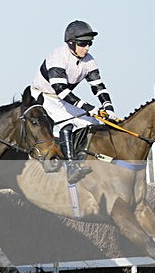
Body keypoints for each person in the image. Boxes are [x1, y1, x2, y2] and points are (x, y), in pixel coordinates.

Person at [31, 20, 117, 184]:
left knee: (91, 123)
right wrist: (89, 107)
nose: (87, 48)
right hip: (43, 96)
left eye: (89, 43)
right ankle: (70, 168)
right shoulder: (57, 57)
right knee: (67, 124)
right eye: (83, 44)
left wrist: (108, 107)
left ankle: (82, 158)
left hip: (63, 98)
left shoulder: (89, 60)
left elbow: (98, 86)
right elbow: (61, 91)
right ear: (71, 43)